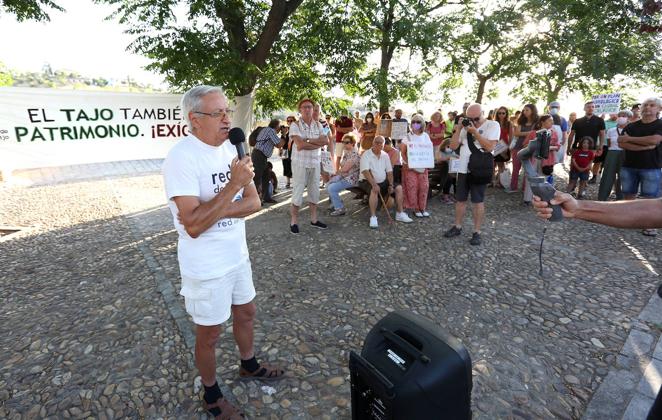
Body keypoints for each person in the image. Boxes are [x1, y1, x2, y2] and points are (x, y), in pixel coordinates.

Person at [162, 86, 284, 419]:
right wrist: (231, 190)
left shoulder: (231, 149)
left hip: (237, 256)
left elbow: (255, 202)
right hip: (206, 265)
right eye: (218, 113)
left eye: (227, 111)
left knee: (247, 313)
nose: (227, 119)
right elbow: (193, 225)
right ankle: (212, 394)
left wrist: (215, 209)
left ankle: (248, 364)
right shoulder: (181, 158)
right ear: (194, 119)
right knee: (210, 333)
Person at [443, 103, 500, 245]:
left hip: (480, 168)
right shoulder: (465, 127)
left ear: (483, 114)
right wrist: (458, 129)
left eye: (476, 118)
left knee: (477, 201)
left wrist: (474, 132)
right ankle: (457, 226)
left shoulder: (493, 125)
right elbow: (453, 146)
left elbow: (490, 147)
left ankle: (477, 231)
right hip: (463, 168)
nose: (473, 121)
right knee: (460, 200)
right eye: (469, 118)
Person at [618, 97, 662, 236]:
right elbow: (621, 143)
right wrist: (645, 147)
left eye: (652, 105)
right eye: (646, 105)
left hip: (651, 166)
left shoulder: (660, 125)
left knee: (650, 197)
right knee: (628, 194)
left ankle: (648, 225)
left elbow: (654, 140)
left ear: (659, 109)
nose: (648, 107)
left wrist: (630, 139)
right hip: (629, 165)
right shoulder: (632, 125)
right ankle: (627, 220)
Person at [289, 98, 330, 234]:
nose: (307, 109)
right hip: (300, 164)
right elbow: (299, 145)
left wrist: (307, 140)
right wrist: (316, 143)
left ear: (313, 110)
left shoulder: (318, 125)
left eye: (310, 107)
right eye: (304, 107)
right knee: (298, 193)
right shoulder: (295, 125)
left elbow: (325, 141)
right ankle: (294, 221)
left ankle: (314, 220)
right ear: (300, 110)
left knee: (314, 192)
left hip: (315, 163)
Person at [358, 136, 413, 228]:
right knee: (374, 190)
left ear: (384, 145)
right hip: (367, 180)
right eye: (377, 142)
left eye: (381, 143)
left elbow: (389, 172)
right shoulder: (366, 154)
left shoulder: (385, 155)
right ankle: (373, 217)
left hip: (383, 181)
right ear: (373, 143)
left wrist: (391, 184)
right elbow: (365, 172)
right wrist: (374, 184)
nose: (379, 144)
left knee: (398, 188)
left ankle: (400, 213)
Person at [521, 115, 559, 204]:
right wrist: (534, 145)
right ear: (542, 122)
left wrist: (548, 147)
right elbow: (524, 145)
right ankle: (527, 199)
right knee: (530, 178)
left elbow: (557, 146)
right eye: (550, 120)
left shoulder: (554, 133)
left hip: (546, 159)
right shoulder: (533, 133)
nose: (552, 122)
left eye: (552, 120)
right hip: (533, 158)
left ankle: (542, 198)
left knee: (543, 179)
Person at [401, 114, 433, 217]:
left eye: (418, 122)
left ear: (422, 123)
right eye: (414, 121)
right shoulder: (407, 137)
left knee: (424, 187)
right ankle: (415, 209)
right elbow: (403, 153)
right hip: (410, 167)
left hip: (422, 167)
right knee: (412, 187)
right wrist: (409, 163)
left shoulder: (426, 136)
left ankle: (422, 208)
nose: (416, 124)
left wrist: (428, 162)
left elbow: (428, 150)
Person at [568, 101, 606, 184]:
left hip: (591, 149)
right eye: (588, 107)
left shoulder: (600, 120)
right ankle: (571, 187)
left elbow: (602, 134)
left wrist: (600, 146)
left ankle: (583, 189)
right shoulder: (577, 121)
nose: (591, 108)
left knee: (587, 168)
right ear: (584, 108)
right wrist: (568, 147)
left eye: (592, 107)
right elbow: (571, 134)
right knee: (573, 167)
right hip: (577, 148)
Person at [598, 110, 631, 201]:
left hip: (625, 154)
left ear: (628, 118)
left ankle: (621, 198)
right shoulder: (611, 130)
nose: (621, 117)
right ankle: (602, 197)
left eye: (624, 116)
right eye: (620, 115)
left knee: (623, 176)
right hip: (612, 153)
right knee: (607, 175)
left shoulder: (631, 130)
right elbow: (609, 144)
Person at [326, 133, 361, 216]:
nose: (344, 144)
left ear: (353, 143)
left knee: (331, 188)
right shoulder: (347, 153)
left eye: (347, 142)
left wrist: (336, 173)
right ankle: (336, 202)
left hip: (352, 178)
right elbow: (343, 169)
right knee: (328, 184)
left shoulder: (354, 154)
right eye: (343, 142)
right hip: (345, 176)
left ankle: (340, 209)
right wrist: (336, 174)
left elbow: (345, 169)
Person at [251, 119, 284, 204]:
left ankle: (266, 197)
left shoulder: (267, 130)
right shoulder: (270, 131)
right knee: (257, 178)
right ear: (276, 126)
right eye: (279, 126)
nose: (280, 128)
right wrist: (283, 134)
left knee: (266, 176)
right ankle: (255, 200)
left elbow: (277, 144)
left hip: (261, 155)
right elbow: (279, 144)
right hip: (259, 155)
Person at [509, 104, 539, 193]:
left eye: (527, 110)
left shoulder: (537, 123)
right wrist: (531, 132)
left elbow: (537, 134)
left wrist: (524, 133)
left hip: (530, 148)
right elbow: (516, 134)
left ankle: (525, 189)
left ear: (532, 111)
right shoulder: (521, 121)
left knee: (528, 170)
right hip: (518, 147)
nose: (524, 112)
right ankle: (513, 187)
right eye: (524, 110)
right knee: (515, 168)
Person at [494, 106, 513, 187]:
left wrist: (508, 147)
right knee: (498, 164)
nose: (501, 115)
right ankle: (498, 181)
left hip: (504, 146)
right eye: (499, 113)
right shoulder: (495, 123)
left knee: (502, 164)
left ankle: (500, 181)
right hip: (496, 146)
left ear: (506, 114)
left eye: (503, 113)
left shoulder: (509, 123)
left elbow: (511, 136)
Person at [282, 116, 296, 188]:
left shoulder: (296, 129)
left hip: (293, 150)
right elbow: (282, 140)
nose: (290, 122)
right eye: (288, 121)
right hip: (285, 150)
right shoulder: (286, 129)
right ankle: (288, 182)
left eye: (291, 121)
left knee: (293, 164)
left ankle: (295, 182)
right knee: (285, 164)